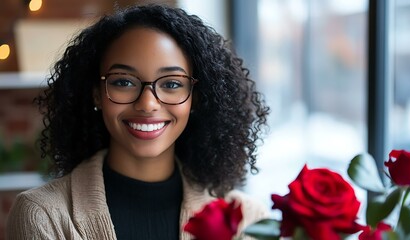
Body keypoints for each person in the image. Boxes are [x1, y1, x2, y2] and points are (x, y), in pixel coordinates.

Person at [6, 4, 270, 240]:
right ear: (96, 93)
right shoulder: (42, 214)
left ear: (196, 99)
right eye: (123, 82)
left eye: (172, 84)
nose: (147, 104)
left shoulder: (247, 220)